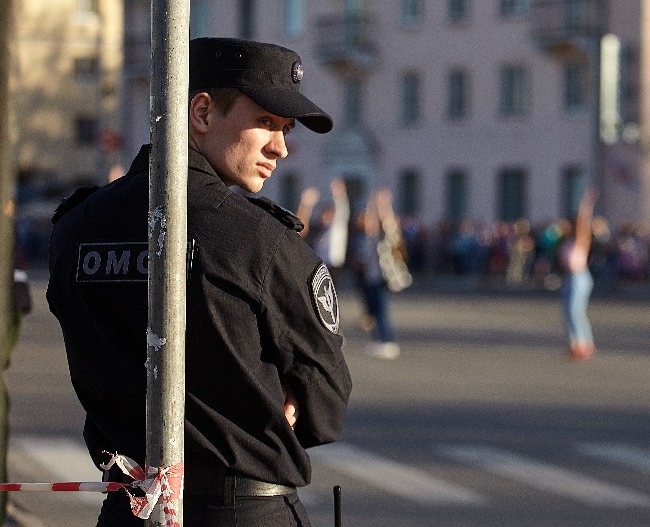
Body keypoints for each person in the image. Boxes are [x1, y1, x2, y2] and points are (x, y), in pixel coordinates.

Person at [46, 37, 352, 527]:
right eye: (267, 123)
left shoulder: (76, 229)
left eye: (287, 130)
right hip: (244, 509)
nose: (282, 147)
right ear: (203, 112)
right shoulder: (262, 242)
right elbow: (325, 400)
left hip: (128, 509)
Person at [350, 188, 408, 359]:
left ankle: (388, 341)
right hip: (370, 279)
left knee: (382, 311)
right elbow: (370, 222)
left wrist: (383, 205)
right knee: (374, 311)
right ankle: (378, 340)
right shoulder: (365, 237)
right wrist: (370, 205)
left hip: (382, 279)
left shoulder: (385, 238)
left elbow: (388, 223)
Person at [558, 187, 598, 361]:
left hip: (580, 277)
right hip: (570, 277)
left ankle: (585, 344)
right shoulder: (566, 241)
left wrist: (586, 203)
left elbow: (584, 221)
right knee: (567, 311)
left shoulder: (581, 238)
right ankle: (575, 343)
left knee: (576, 311)